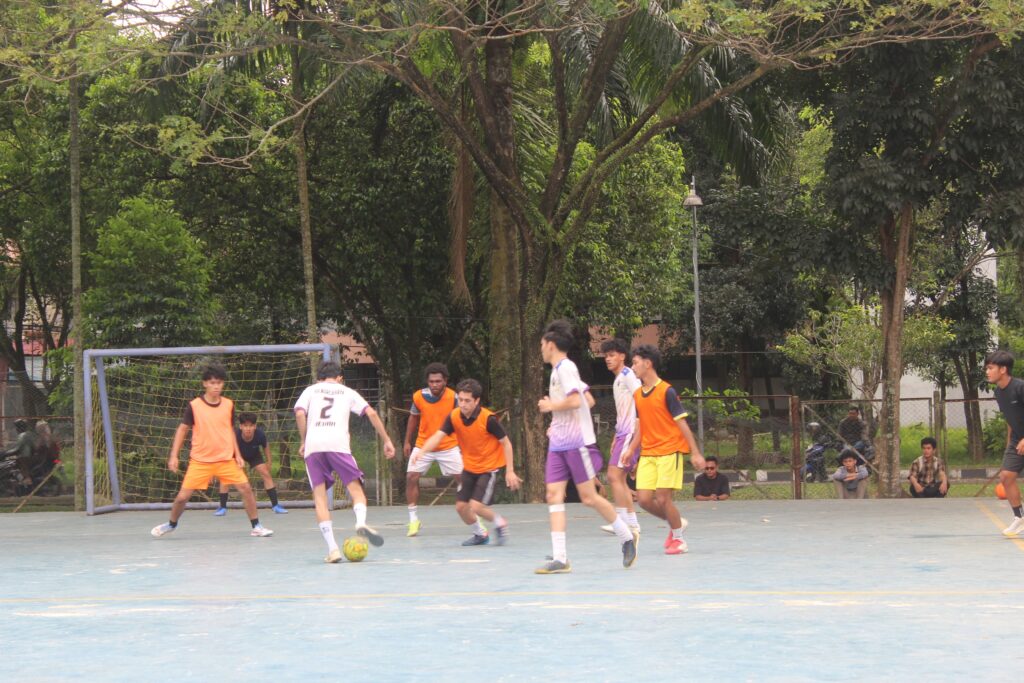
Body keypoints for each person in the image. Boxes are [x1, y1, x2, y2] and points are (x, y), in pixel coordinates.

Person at [535, 320, 638, 575]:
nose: (541, 349)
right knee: (553, 495)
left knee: (589, 497)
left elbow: (575, 401)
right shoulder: (558, 371)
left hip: (576, 442)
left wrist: (552, 407)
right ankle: (560, 558)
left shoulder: (566, 368)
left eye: (542, 344)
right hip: (558, 443)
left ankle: (626, 536)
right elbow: (588, 399)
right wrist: (557, 422)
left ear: (551, 345)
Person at [151, 364, 273, 538]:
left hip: (225, 460)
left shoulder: (229, 404)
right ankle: (171, 524)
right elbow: (183, 429)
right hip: (200, 461)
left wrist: (237, 454)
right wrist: (174, 456)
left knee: (245, 488)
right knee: (182, 497)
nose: (216, 386)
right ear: (205, 384)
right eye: (212, 383)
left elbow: (230, 430)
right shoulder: (194, 406)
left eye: (219, 383)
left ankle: (256, 526)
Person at [294, 361, 396, 563]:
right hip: (338, 445)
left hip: (314, 447)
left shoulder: (310, 390)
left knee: (320, 499)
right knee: (356, 491)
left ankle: (333, 549)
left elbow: (299, 413)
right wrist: (387, 440)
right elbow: (371, 412)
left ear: (318, 378)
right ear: (340, 377)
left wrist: (304, 440)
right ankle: (360, 523)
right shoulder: (347, 392)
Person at [418, 378, 521, 546]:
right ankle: (480, 534)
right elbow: (438, 436)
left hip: (488, 469)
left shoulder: (488, 419)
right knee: (461, 507)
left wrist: (510, 471)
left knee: (476, 506)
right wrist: (422, 451)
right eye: (460, 400)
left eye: (467, 401)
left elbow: (506, 443)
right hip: (469, 468)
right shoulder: (454, 416)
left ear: (477, 401)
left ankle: (500, 522)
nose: (463, 404)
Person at [625, 345, 705, 555]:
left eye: (635, 362)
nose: (632, 367)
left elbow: (682, 424)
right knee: (643, 500)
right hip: (648, 453)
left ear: (648, 363)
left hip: (670, 450)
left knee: (662, 498)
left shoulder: (667, 391)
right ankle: (677, 522)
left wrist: (695, 452)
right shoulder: (637, 395)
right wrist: (631, 450)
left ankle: (678, 539)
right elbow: (641, 427)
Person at [403, 363, 461, 537]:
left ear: (445, 381)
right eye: (431, 381)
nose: (434, 384)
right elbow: (413, 418)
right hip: (423, 445)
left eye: (438, 381)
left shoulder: (454, 397)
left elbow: (460, 421)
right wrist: (407, 441)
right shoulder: (419, 396)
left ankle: (474, 514)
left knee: (464, 480)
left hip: (448, 444)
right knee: (411, 477)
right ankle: (413, 520)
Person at [598, 338, 643, 536]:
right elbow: (624, 411)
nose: (607, 359)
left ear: (622, 356)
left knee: (613, 476)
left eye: (612, 355)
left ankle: (624, 523)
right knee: (619, 478)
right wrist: (616, 436)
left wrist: (636, 434)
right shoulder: (618, 379)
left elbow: (642, 401)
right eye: (606, 356)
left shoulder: (628, 375)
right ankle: (630, 524)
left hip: (630, 433)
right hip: (623, 433)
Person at [214, 412, 288, 516]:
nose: (248, 428)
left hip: (254, 455)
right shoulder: (235, 435)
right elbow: (226, 449)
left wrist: (269, 462)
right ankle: (222, 507)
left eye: (251, 426)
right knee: (225, 477)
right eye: (245, 426)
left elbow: (266, 446)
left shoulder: (260, 435)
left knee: (266, 473)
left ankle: (275, 506)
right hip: (236, 456)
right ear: (241, 426)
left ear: (255, 426)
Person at [985, 350, 1024, 536]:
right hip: (1017, 438)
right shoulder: (998, 392)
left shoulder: (1020, 387)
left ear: (1003, 369)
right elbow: (1010, 418)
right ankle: (1020, 518)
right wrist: (1010, 443)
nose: (987, 372)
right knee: (1006, 477)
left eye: (990, 368)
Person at [2, 419, 39, 490]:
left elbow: (17, 449)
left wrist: (5, 453)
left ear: (20, 427)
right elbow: (33, 447)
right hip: (30, 457)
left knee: (13, 465)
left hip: (24, 458)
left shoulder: (22, 435)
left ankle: (26, 481)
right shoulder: (29, 434)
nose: (16, 429)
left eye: (16, 427)